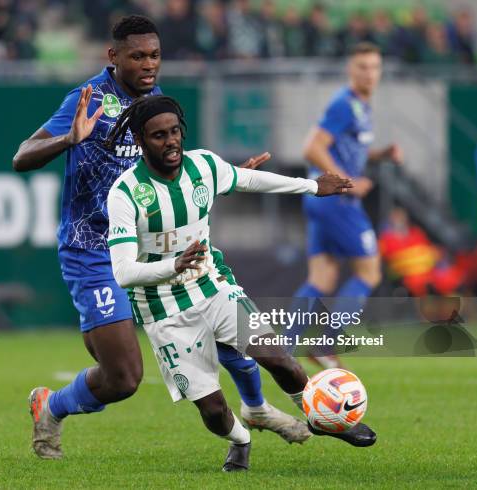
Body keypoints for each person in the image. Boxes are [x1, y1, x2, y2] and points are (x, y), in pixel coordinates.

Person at [13, 15, 309, 460]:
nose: (148, 64)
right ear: (113, 57)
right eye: (137, 56)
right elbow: (22, 156)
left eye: (154, 55)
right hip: (95, 252)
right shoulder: (88, 99)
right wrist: (68, 139)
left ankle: (256, 409)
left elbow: (175, 166)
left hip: (160, 248)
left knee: (226, 325)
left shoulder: (154, 101)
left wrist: (224, 178)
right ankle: (51, 406)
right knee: (124, 379)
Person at [105, 95, 377, 471]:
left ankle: (325, 418)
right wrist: (172, 265)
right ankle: (241, 438)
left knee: (280, 360)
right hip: (164, 310)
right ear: (139, 141)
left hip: (213, 287)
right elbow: (122, 272)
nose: (170, 142)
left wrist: (313, 186)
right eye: (158, 136)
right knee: (214, 411)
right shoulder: (125, 193)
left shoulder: (203, 166)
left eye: (174, 132)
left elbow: (249, 179)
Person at [295, 42, 403, 368]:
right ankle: (326, 344)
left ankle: (281, 348)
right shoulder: (344, 103)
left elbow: (347, 146)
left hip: (321, 200)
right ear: (350, 70)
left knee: (322, 278)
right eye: (362, 67)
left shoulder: (359, 106)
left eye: (374, 67)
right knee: (369, 271)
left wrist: (380, 154)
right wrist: (347, 181)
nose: (369, 74)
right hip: (337, 201)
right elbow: (312, 148)